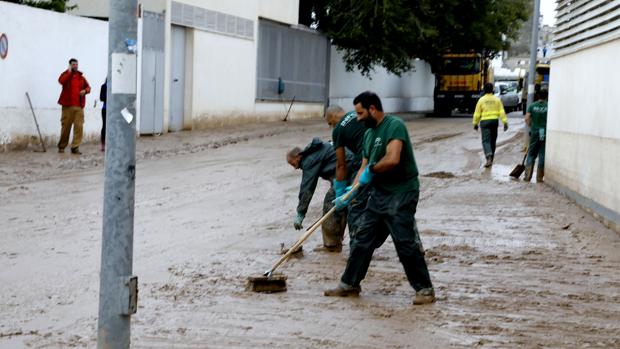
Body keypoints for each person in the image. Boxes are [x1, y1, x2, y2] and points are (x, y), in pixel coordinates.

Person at [324, 91, 436, 305]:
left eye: (360, 113)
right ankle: (349, 284)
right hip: (379, 194)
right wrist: (349, 193)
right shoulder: (368, 134)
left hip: (402, 192)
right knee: (361, 239)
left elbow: (392, 159)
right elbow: (363, 168)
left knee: (404, 243)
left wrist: (372, 171)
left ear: (372, 109)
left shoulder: (394, 125)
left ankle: (424, 290)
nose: (357, 118)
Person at [287, 138, 356, 252]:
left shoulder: (309, 159)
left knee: (331, 204)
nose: (294, 167)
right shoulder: (319, 149)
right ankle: (356, 244)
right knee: (349, 205)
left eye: (292, 163)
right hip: (354, 169)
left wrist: (300, 212)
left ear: (298, 156)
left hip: (348, 172)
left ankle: (332, 245)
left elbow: (307, 188)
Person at [324, 105, 368, 233]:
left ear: (333, 117)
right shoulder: (359, 114)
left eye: (330, 124)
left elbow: (341, 164)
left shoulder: (337, 130)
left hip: (364, 162)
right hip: (385, 156)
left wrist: (340, 191)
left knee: (355, 207)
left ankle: (357, 248)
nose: (332, 127)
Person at [57, 58, 91, 154]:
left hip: (79, 107)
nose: (75, 66)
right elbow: (61, 81)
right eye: (73, 64)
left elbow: (88, 87)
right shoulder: (65, 75)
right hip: (67, 106)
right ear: (69, 65)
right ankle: (62, 146)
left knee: (79, 127)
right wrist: (68, 72)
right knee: (65, 128)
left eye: (76, 64)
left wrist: (85, 91)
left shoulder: (81, 77)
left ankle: (75, 147)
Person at [472, 82, 508, 167]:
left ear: (484, 90)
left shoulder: (481, 100)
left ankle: (488, 157)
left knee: (486, 141)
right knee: (492, 140)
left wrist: (475, 123)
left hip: (485, 122)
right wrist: (505, 122)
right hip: (494, 122)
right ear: (492, 90)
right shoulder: (497, 99)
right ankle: (491, 158)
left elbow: (477, 113)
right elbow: (502, 112)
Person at [524, 89, 548, 182]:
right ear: (546, 96)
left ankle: (528, 176)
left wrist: (531, 126)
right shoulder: (548, 106)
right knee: (542, 153)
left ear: (538, 95)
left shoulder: (532, 106)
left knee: (531, 153)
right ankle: (539, 177)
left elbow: (527, 118)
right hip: (544, 131)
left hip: (535, 131)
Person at [99, 78, 107, 152]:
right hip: (105, 109)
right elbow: (101, 98)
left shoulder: (116, 87)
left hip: (115, 110)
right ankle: (103, 144)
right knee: (104, 126)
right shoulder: (104, 86)